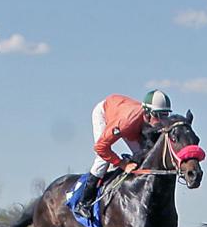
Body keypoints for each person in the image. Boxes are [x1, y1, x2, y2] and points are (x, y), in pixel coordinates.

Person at [73, 89, 172, 220]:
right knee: (102, 161)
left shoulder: (147, 120)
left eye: (166, 115)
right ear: (147, 114)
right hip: (105, 113)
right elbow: (100, 148)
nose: (162, 121)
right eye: (158, 116)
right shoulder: (125, 123)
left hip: (128, 119)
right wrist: (123, 164)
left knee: (144, 155)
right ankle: (83, 202)